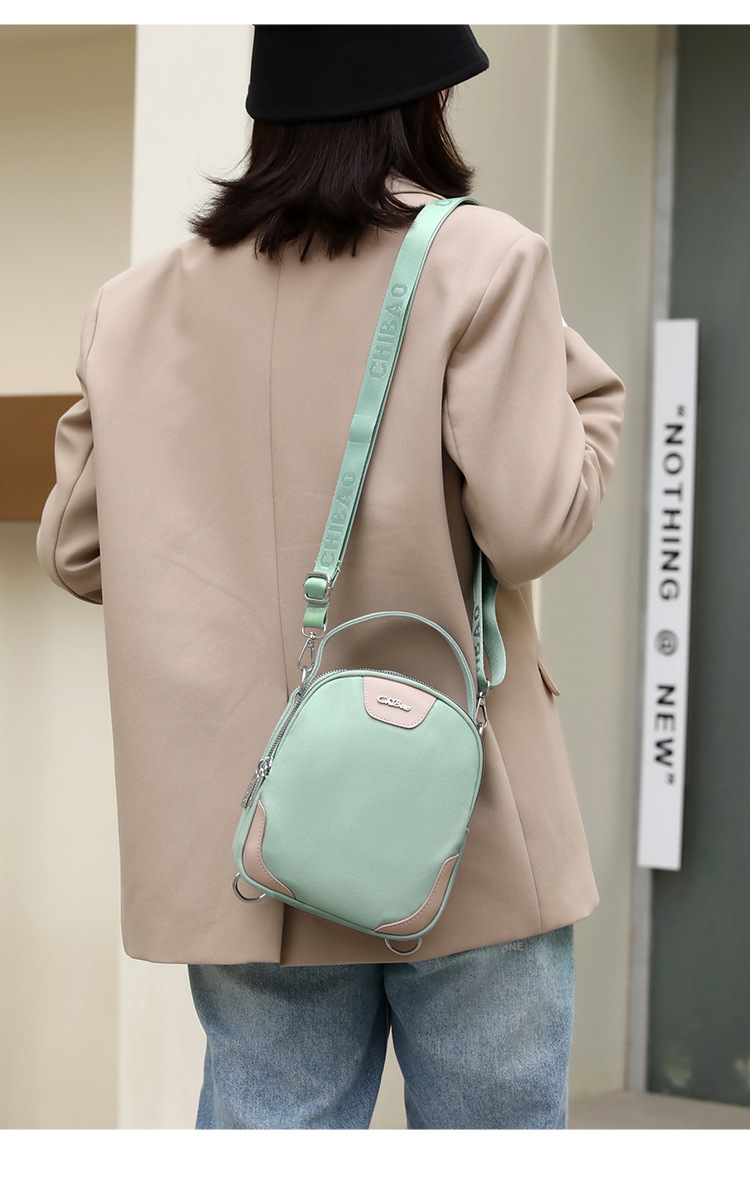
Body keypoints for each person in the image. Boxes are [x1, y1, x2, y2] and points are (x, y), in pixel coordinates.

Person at [36, 25, 626, 1129]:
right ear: (422, 107)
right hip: (454, 805)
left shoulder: (138, 302)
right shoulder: (483, 261)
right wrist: (588, 416)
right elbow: (534, 523)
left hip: (252, 832)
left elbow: (77, 548)